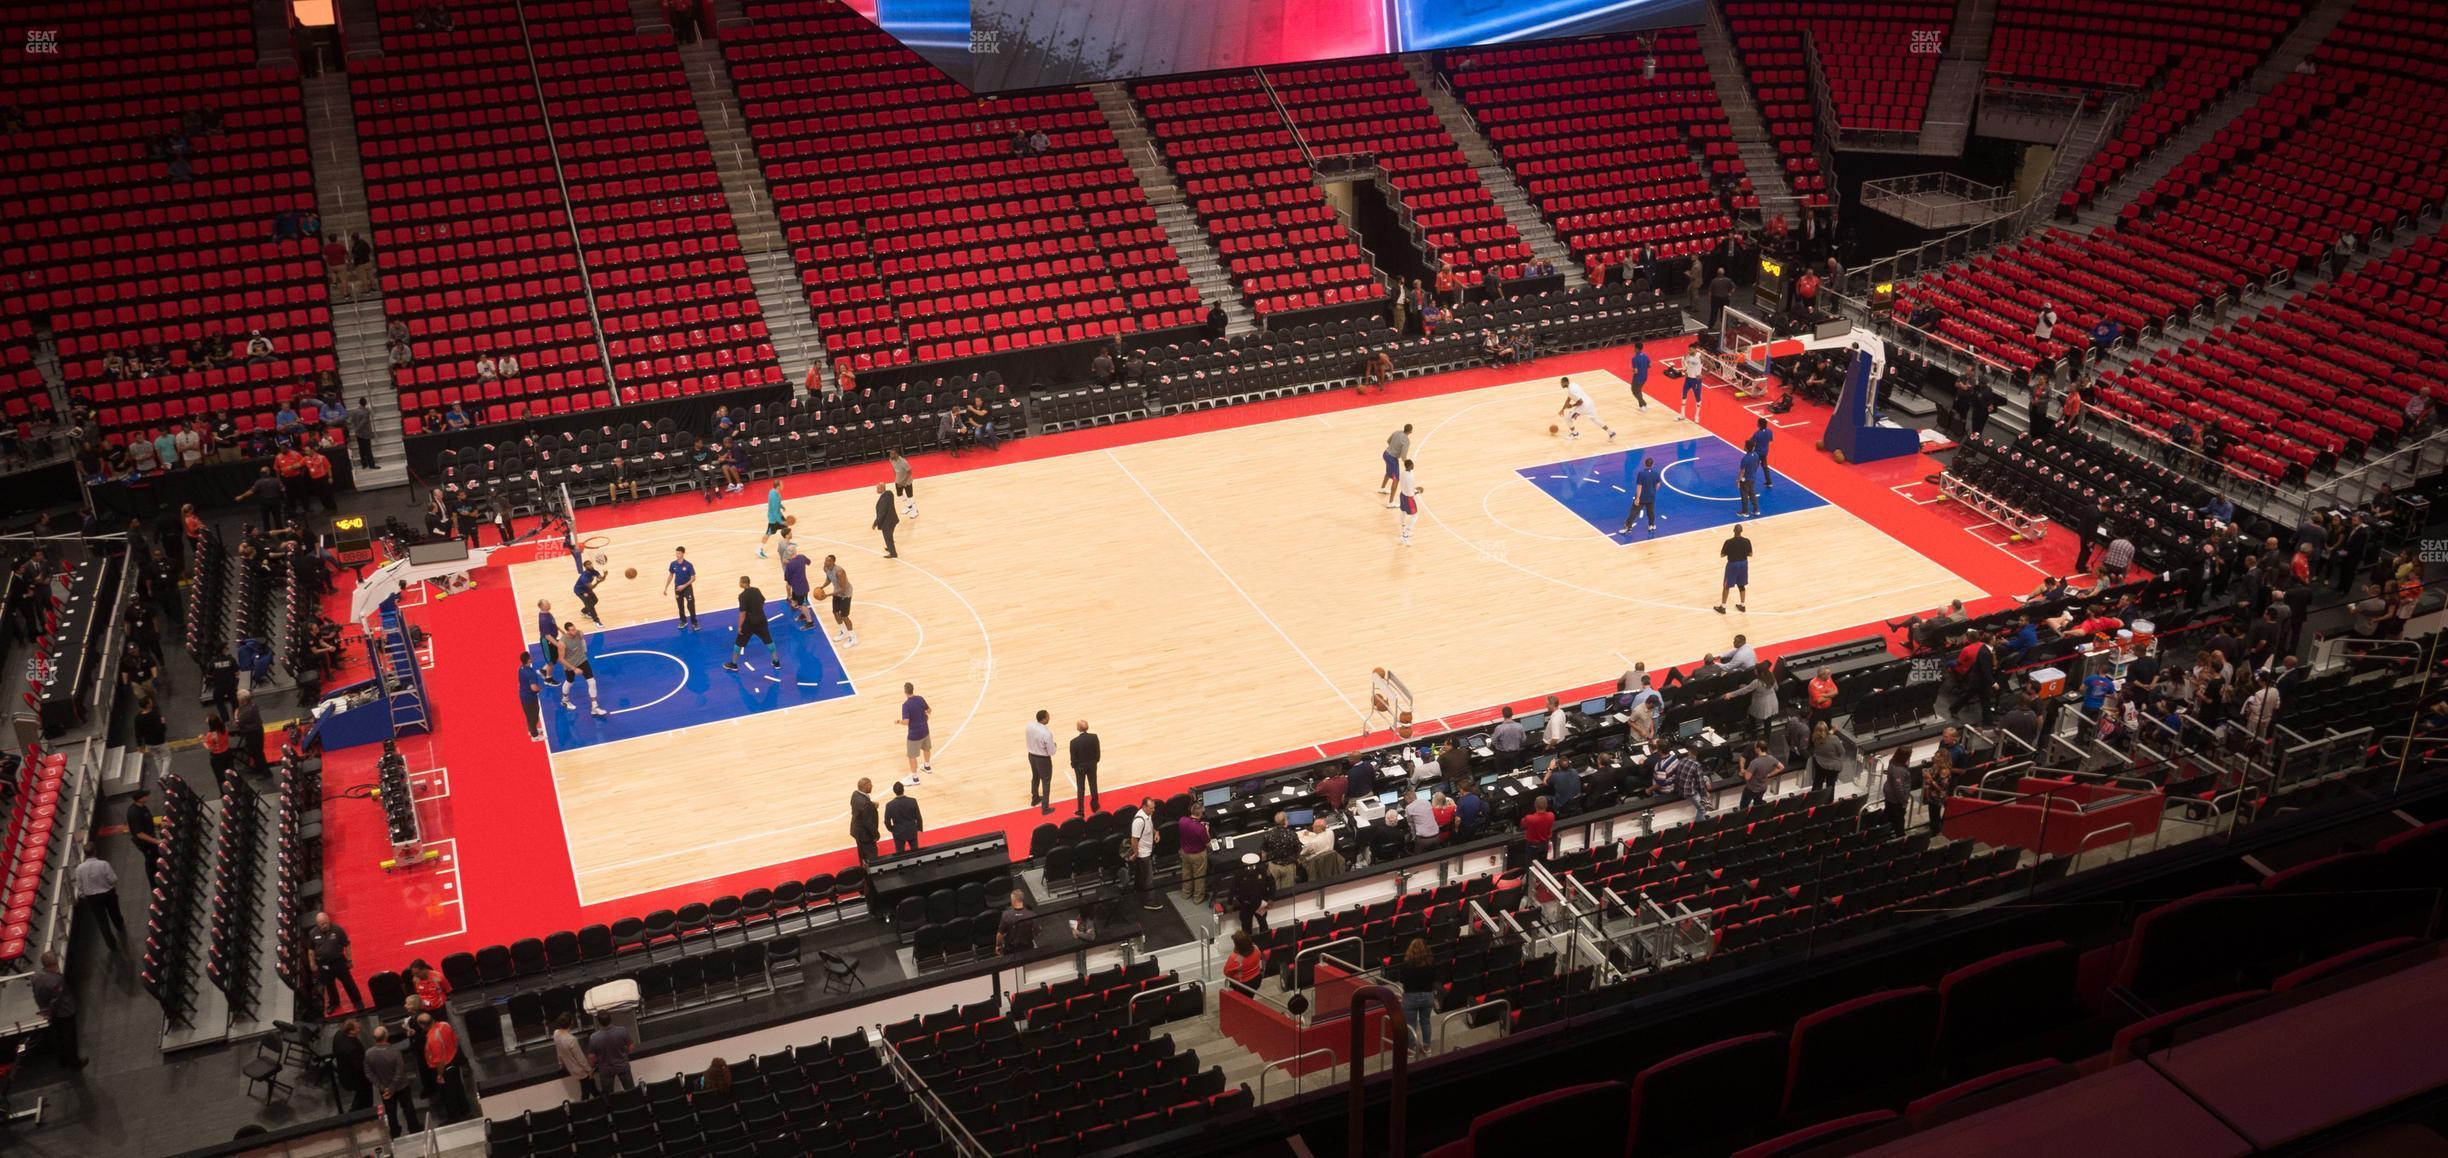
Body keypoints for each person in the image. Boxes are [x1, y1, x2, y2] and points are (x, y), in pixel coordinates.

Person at [74, 843, 125, 955]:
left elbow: (80, 887)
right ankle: (120, 927)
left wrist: (85, 896)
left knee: (102, 922)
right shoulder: (103, 864)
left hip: (92, 899)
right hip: (108, 894)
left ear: (85, 854)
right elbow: (113, 880)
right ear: (95, 851)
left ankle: (111, 945)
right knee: (115, 913)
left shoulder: (79, 869)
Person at [367, 1024, 420, 1132]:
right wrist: (392, 1087)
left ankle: (394, 1130)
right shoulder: (395, 1051)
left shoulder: (368, 1053)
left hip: (384, 1089)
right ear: (386, 1036)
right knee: (408, 1108)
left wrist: (382, 1087)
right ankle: (414, 1127)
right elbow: (399, 1072)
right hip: (401, 1086)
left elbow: (369, 1073)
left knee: (390, 1111)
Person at [727, 576, 780, 673]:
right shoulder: (756, 590)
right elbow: (763, 601)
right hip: (761, 620)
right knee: (768, 640)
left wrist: (739, 626)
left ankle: (733, 664)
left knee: (738, 644)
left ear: (743, 583)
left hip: (749, 623)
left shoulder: (742, 596)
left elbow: (742, 613)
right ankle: (776, 662)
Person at [560, 622, 608, 718]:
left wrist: (584, 650)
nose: (575, 631)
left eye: (575, 628)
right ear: (567, 631)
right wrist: (574, 668)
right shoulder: (562, 643)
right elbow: (561, 659)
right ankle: (565, 700)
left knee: (592, 682)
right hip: (570, 664)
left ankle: (594, 707)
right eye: (572, 630)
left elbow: (581, 637)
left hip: (582, 660)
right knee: (570, 682)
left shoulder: (579, 633)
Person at [1398, 939, 1437, 1055]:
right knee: (1426, 1022)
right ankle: (1427, 1047)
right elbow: (1435, 978)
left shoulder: (1407, 965)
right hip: (1427, 997)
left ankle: (1411, 1050)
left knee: (1411, 1024)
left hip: (1411, 997)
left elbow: (1401, 979)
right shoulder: (1431, 964)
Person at [1555, 376, 1617, 440]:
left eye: (1561, 383)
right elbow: (1569, 399)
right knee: (1596, 420)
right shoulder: (1573, 385)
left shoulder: (1571, 391)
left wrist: (1572, 405)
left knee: (1567, 418)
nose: (1561, 384)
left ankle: (1574, 434)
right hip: (1590, 403)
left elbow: (1580, 402)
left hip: (1583, 407)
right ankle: (1611, 433)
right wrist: (1563, 409)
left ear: (1565, 382)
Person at [552, 1012, 597, 1099]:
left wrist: (561, 1063)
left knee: (592, 1090)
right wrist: (589, 1070)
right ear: (571, 1023)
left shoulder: (556, 1033)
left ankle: (604, 1106)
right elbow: (580, 1058)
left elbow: (558, 1050)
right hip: (582, 1072)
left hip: (572, 1069)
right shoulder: (571, 1040)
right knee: (586, 1094)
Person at [587, 1012, 636, 1092]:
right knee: (631, 1091)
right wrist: (624, 1054)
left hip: (605, 1070)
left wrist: (593, 1066)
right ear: (611, 1019)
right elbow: (631, 1047)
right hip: (622, 1065)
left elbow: (591, 1058)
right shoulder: (622, 1030)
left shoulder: (594, 1037)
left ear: (599, 1022)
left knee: (609, 1096)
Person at [333, 1018, 374, 1110]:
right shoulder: (352, 1049)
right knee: (365, 1095)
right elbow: (360, 1066)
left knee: (360, 1096)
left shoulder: (339, 1034)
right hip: (354, 1077)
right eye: (357, 1028)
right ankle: (365, 1110)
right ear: (351, 1031)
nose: (359, 1030)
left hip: (344, 1070)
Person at [819, 554, 857, 647]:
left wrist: (827, 595)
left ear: (832, 562)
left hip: (845, 594)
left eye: (827, 561)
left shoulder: (839, 572)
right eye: (825, 560)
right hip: (837, 592)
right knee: (835, 612)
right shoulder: (826, 568)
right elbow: (829, 579)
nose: (825, 562)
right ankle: (844, 632)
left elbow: (843, 589)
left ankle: (853, 638)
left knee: (844, 616)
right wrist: (821, 587)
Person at [1177, 801, 1211, 903]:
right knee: (1199, 876)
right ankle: (1198, 898)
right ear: (1201, 814)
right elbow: (1208, 843)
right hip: (1198, 855)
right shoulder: (1201, 828)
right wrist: (1207, 830)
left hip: (1184, 853)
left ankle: (1186, 893)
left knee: (1186, 874)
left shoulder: (1182, 820)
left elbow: (1190, 825)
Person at [1716, 524, 1754, 614]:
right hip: (1743, 564)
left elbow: (1722, 555)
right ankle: (1742, 605)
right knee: (1741, 585)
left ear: (1733, 530)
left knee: (1726, 586)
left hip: (1733, 565)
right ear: (1742, 531)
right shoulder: (1747, 541)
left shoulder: (1728, 542)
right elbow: (1751, 554)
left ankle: (1723, 607)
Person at [126, 788, 161, 883]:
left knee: (157, 856)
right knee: (151, 862)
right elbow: (139, 834)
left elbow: (148, 820)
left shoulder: (143, 807)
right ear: (140, 799)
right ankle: (154, 884)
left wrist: (159, 825)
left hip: (151, 838)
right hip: (145, 843)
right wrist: (157, 841)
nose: (147, 796)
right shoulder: (134, 813)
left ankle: (162, 876)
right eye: (145, 795)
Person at [1025, 709, 1057, 814]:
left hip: (1031, 756)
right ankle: (1045, 808)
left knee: (1035, 777)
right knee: (1046, 781)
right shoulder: (1046, 733)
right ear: (1043, 719)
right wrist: (1055, 745)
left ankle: (1035, 798)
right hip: (1042, 759)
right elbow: (1051, 752)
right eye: (1048, 717)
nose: (1049, 718)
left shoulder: (1029, 726)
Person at [1130, 798, 1160, 909]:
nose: (1153, 810)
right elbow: (1134, 839)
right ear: (1144, 807)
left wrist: (1156, 832)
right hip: (1143, 854)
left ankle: (1137, 890)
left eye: (1154, 808)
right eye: (1151, 808)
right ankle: (1150, 902)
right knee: (1149, 878)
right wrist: (1136, 853)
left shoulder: (1148, 815)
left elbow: (1150, 826)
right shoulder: (1139, 821)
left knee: (1140, 874)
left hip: (1146, 851)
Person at [899, 681, 932, 783]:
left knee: (912, 756)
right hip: (925, 730)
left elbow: (906, 722)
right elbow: (929, 710)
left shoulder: (906, 705)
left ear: (905, 691)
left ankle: (915, 778)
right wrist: (924, 715)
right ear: (913, 689)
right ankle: (927, 766)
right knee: (926, 749)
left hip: (914, 734)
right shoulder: (920, 698)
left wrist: (898, 722)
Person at [1622, 455, 1662, 534]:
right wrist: (1653, 490)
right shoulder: (1656, 473)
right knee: (1650, 512)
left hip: (1642, 497)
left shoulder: (1641, 474)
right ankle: (1651, 525)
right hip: (1651, 496)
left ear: (1645, 464)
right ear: (1652, 464)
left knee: (1634, 511)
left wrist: (1637, 498)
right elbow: (1658, 486)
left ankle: (1628, 526)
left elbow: (1639, 487)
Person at [664, 546, 700, 629]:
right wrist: (666, 587)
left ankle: (694, 623)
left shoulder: (688, 565)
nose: (677, 555)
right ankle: (683, 621)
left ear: (683, 554)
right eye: (676, 553)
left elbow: (693, 578)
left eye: (679, 553)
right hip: (677, 588)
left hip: (687, 588)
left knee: (690, 605)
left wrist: (683, 586)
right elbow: (670, 575)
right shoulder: (673, 564)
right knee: (680, 606)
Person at [1740, 742, 1783, 810]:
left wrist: (1744, 771)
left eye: (1755, 747)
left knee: (1743, 807)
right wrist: (1769, 774)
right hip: (1763, 788)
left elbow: (1747, 777)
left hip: (1751, 789)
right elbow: (1781, 767)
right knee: (1758, 804)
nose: (1754, 749)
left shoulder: (1755, 762)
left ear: (1758, 749)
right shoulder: (1771, 758)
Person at [1070, 719, 1101, 814]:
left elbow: (1073, 757)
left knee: (1081, 788)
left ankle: (1081, 810)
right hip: (1092, 765)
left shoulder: (1074, 742)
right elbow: (1097, 752)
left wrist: (1074, 766)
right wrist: (1095, 761)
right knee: (1093, 785)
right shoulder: (1094, 737)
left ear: (1078, 728)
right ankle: (1095, 806)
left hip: (1080, 767)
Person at [1882, 750, 1915, 837]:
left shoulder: (1894, 762)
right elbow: (1898, 788)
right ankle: (1900, 838)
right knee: (1898, 820)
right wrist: (1904, 801)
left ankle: (1885, 833)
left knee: (1889, 815)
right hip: (1896, 799)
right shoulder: (1899, 770)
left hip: (1891, 796)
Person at [517, 649, 549, 740]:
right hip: (530, 698)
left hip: (523, 696)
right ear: (528, 660)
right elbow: (533, 687)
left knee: (529, 714)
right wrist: (540, 689)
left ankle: (532, 730)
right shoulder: (530, 672)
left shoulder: (521, 668)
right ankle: (535, 736)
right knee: (533, 715)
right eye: (530, 657)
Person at [885, 781, 923, 854]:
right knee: (915, 852)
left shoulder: (889, 805)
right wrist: (919, 828)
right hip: (911, 830)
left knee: (899, 853)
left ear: (894, 791)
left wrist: (892, 829)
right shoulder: (912, 801)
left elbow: (887, 821)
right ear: (903, 789)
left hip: (898, 832)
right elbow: (918, 817)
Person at [995, 890, 1038, 954]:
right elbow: (1037, 931)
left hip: (1011, 949)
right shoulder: (1032, 914)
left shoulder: (1006, 915)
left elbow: (1000, 935)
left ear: (1013, 900)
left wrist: (998, 945)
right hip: (1028, 947)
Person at [1922, 749, 1956, 830]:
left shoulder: (1945, 771)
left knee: (1935, 813)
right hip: (1931, 794)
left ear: (1943, 759)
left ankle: (1935, 830)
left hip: (1938, 796)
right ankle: (1933, 825)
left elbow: (1942, 788)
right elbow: (1930, 773)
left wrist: (1931, 780)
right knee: (1932, 813)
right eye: (1935, 756)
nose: (1935, 758)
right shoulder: (1936, 765)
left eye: (1938, 757)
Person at [849, 777, 880, 863]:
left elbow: (860, 806)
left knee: (862, 854)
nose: (872, 786)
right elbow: (868, 823)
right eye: (870, 784)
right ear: (865, 786)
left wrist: (872, 804)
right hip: (865, 835)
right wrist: (876, 835)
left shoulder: (855, 794)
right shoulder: (866, 804)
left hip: (856, 830)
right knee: (872, 856)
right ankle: (872, 873)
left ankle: (863, 870)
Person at [1380, 424, 1413, 506]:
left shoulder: (1397, 432)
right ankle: (1391, 502)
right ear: (1410, 431)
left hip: (1385, 454)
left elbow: (1388, 441)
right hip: (1392, 458)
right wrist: (1407, 464)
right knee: (1396, 479)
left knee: (1388, 472)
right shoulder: (1406, 441)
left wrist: (1393, 448)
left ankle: (1382, 488)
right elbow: (1403, 455)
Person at [1808, 720, 1844, 795]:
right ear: (1827, 729)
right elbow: (1842, 751)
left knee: (1817, 782)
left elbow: (1824, 736)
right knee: (1830, 785)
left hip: (1819, 764)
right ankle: (1829, 802)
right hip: (1832, 767)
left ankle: (1813, 799)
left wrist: (1833, 731)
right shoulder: (1834, 739)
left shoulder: (1815, 738)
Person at [1394, 457, 1423, 546]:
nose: (1413, 465)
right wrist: (1418, 491)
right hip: (1408, 498)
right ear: (1409, 466)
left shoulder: (1403, 473)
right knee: (1415, 516)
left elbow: (1408, 487)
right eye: (1412, 465)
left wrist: (1414, 489)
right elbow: (1411, 493)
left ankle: (1403, 530)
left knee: (1402, 512)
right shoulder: (1410, 477)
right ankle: (1405, 535)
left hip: (1402, 494)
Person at [1519, 796, 1556, 861]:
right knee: (1543, 862)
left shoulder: (1529, 818)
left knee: (1531, 864)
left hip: (1533, 846)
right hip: (1545, 844)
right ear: (1547, 805)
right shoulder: (1551, 815)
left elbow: (1522, 824)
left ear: (1535, 805)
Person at [757, 481, 787, 558]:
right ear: (778, 486)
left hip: (778, 515)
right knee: (768, 534)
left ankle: (787, 545)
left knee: (786, 528)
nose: (783, 485)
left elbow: (777, 503)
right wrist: (780, 521)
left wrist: (781, 506)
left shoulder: (774, 491)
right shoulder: (773, 495)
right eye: (782, 484)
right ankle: (759, 549)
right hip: (773, 519)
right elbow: (774, 510)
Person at [873, 482, 901, 558]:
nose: (876, 490)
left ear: (882, 489)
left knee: (888, 538)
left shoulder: (883, 500)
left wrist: (875, 523)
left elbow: (881, 514)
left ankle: (893, 554)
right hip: (893, 520)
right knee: (890, 536)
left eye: (878, 488)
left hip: (887, 523)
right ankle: (890, 547)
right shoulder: (889, 493)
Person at [1679, 346, 1706, 422]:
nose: (1689, 351)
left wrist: (1703, 374)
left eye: (1690, 349)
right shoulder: (1686, 356)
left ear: (1695, 349)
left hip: (1696, 380)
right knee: (1683, 396)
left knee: (1697, 398)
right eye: (1688, 349)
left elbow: (1710, 365)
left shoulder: (1700, 356)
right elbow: (1683, 362)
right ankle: (1682, 414)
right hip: (1688, 379)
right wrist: (1684, 371)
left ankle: (1697, 416)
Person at [889, 448, 918, 517]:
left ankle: (915, 511)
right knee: (900, 495)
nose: (891, 455)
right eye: (890, 453)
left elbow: (910, 472)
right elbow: (895, 469)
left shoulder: (903, 462)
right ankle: (909, 506)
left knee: (910, 496)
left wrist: (903, 482)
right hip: (898, 480)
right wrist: (896, 479)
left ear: (896, 454)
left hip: (907, 481)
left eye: (892, 453)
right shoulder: (891, 460)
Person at [1627, 340, 1652, 409]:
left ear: (1637, 349)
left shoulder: (1634, 359)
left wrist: (1633, 370)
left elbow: (1636, 371)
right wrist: (1643, 368)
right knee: (1639, 391)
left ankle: (1645, 404)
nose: (1633, 349)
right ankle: (1641, 407)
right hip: (1645, 377)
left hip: (1637, 378)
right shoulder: (1645, 356)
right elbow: (1650, 365)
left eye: (1634, 347)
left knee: (1634, 391)